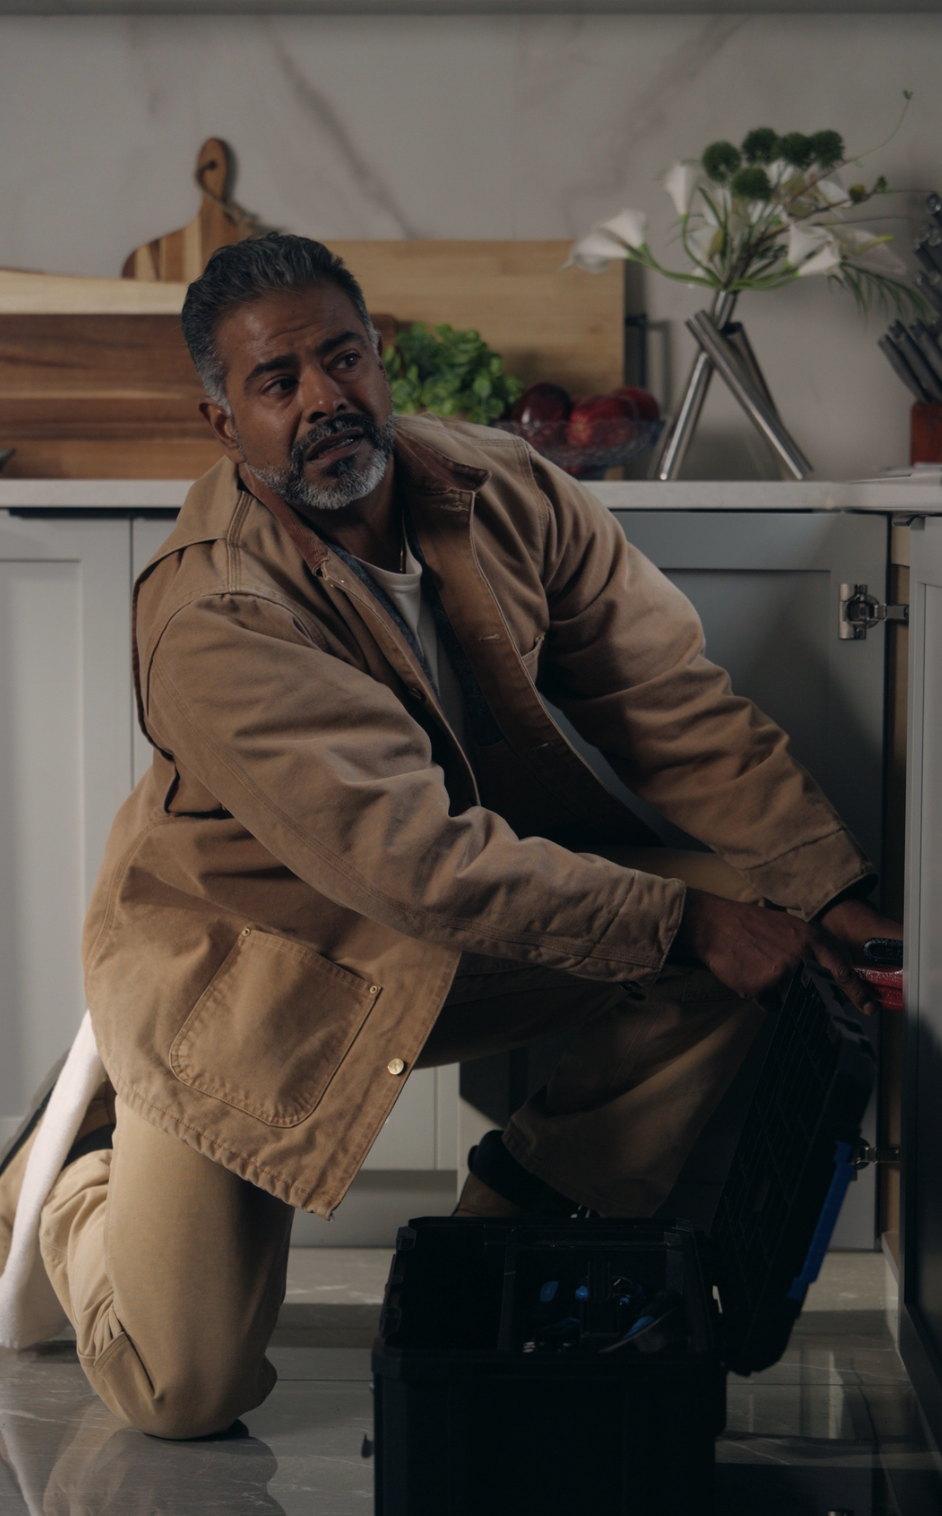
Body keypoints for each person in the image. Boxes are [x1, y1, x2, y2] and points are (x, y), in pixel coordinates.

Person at [0, 233, 899, 1439]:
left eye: (343, 358)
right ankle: (60, 1181)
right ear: (223, 426)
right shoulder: (213, 611)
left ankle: (509, 1240)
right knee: (184, 1389)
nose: (324, 399)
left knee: (762, 926)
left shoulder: (500, 489)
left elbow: (664, 701)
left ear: (383, 360)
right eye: (278, 384)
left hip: (443, 932)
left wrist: (828, 883)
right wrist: (685, 918)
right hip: (251, 972)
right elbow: (417, 860)